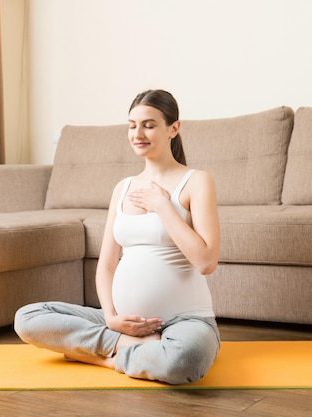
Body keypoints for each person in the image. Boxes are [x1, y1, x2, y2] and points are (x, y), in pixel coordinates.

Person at [14, 89, 221, 385]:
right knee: (27, 318)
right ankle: (128, 346)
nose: (138, 133)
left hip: (184, 322)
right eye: (132, 125)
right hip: (121, 323)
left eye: (149, 124)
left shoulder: (197, 181)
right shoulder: (122, 187)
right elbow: (107, 265)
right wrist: (111, 317)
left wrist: (162, 206)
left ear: (173, 128)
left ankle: (103, 358)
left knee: (182, 360)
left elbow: (206, 261)